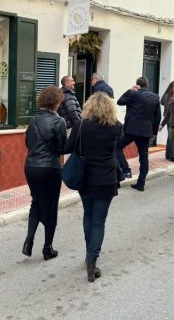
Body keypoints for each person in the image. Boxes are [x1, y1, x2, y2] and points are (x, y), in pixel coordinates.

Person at [64, 93, 122, 282]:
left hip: (85, 178)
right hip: (107, 179)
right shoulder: (116, 127)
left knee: (88, 215)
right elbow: (118, 145)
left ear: (88, 106)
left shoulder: (81, 125)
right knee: (99, 220)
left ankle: (89, 254)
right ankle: (92, 261)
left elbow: (68, 147)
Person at [22, 86, 66, 260]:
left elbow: (28, 143)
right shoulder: (59, 121)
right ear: (56, 102)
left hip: (31, 167)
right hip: (50, 168)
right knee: (51, 207)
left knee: (36, 202)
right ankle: (47, 248)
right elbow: (62, 147)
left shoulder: (33, 120)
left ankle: (29, 240)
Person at [116, 77, 161, 191]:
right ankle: (141, 183)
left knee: (117, 147)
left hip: (131, 130)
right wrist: (154, 132)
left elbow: (120, 101)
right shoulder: (155, 97)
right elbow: (157, 117)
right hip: (146, 131)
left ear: (137, 85)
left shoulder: (134, 94)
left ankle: (126, 170)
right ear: (148, 85)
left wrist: (130, 90)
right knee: (144, 156)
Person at [160, 80, 174, 161]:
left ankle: (169, 154)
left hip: (168, 117)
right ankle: (171, 155)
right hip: (171, 117)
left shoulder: (166, 95)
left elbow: (162, 102)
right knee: (171, 137)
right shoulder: (171, 97)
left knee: (170, 136)